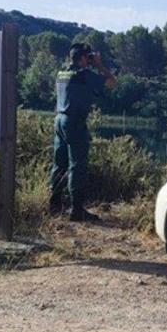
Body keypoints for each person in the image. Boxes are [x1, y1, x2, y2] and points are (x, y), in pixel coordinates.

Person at [49, 42, 117, 221]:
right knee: (77, 166)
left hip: (59, 120)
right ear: (82, 58)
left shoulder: (61, 73)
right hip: (74, 122)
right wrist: (99, 65)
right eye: (88, 57)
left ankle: (54, 205)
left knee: (59, 164)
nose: (90, 59)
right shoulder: (84, 74)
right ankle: (76, 210)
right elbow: (111, 83)